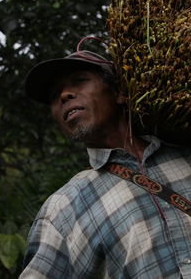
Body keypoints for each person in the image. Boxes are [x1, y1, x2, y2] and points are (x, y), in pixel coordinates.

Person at [20, 48, 191, 279]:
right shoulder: (62, 209)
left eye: (79, 81)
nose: (64, 95)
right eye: (54, 96)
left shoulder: (185, 152)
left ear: (119, 91)